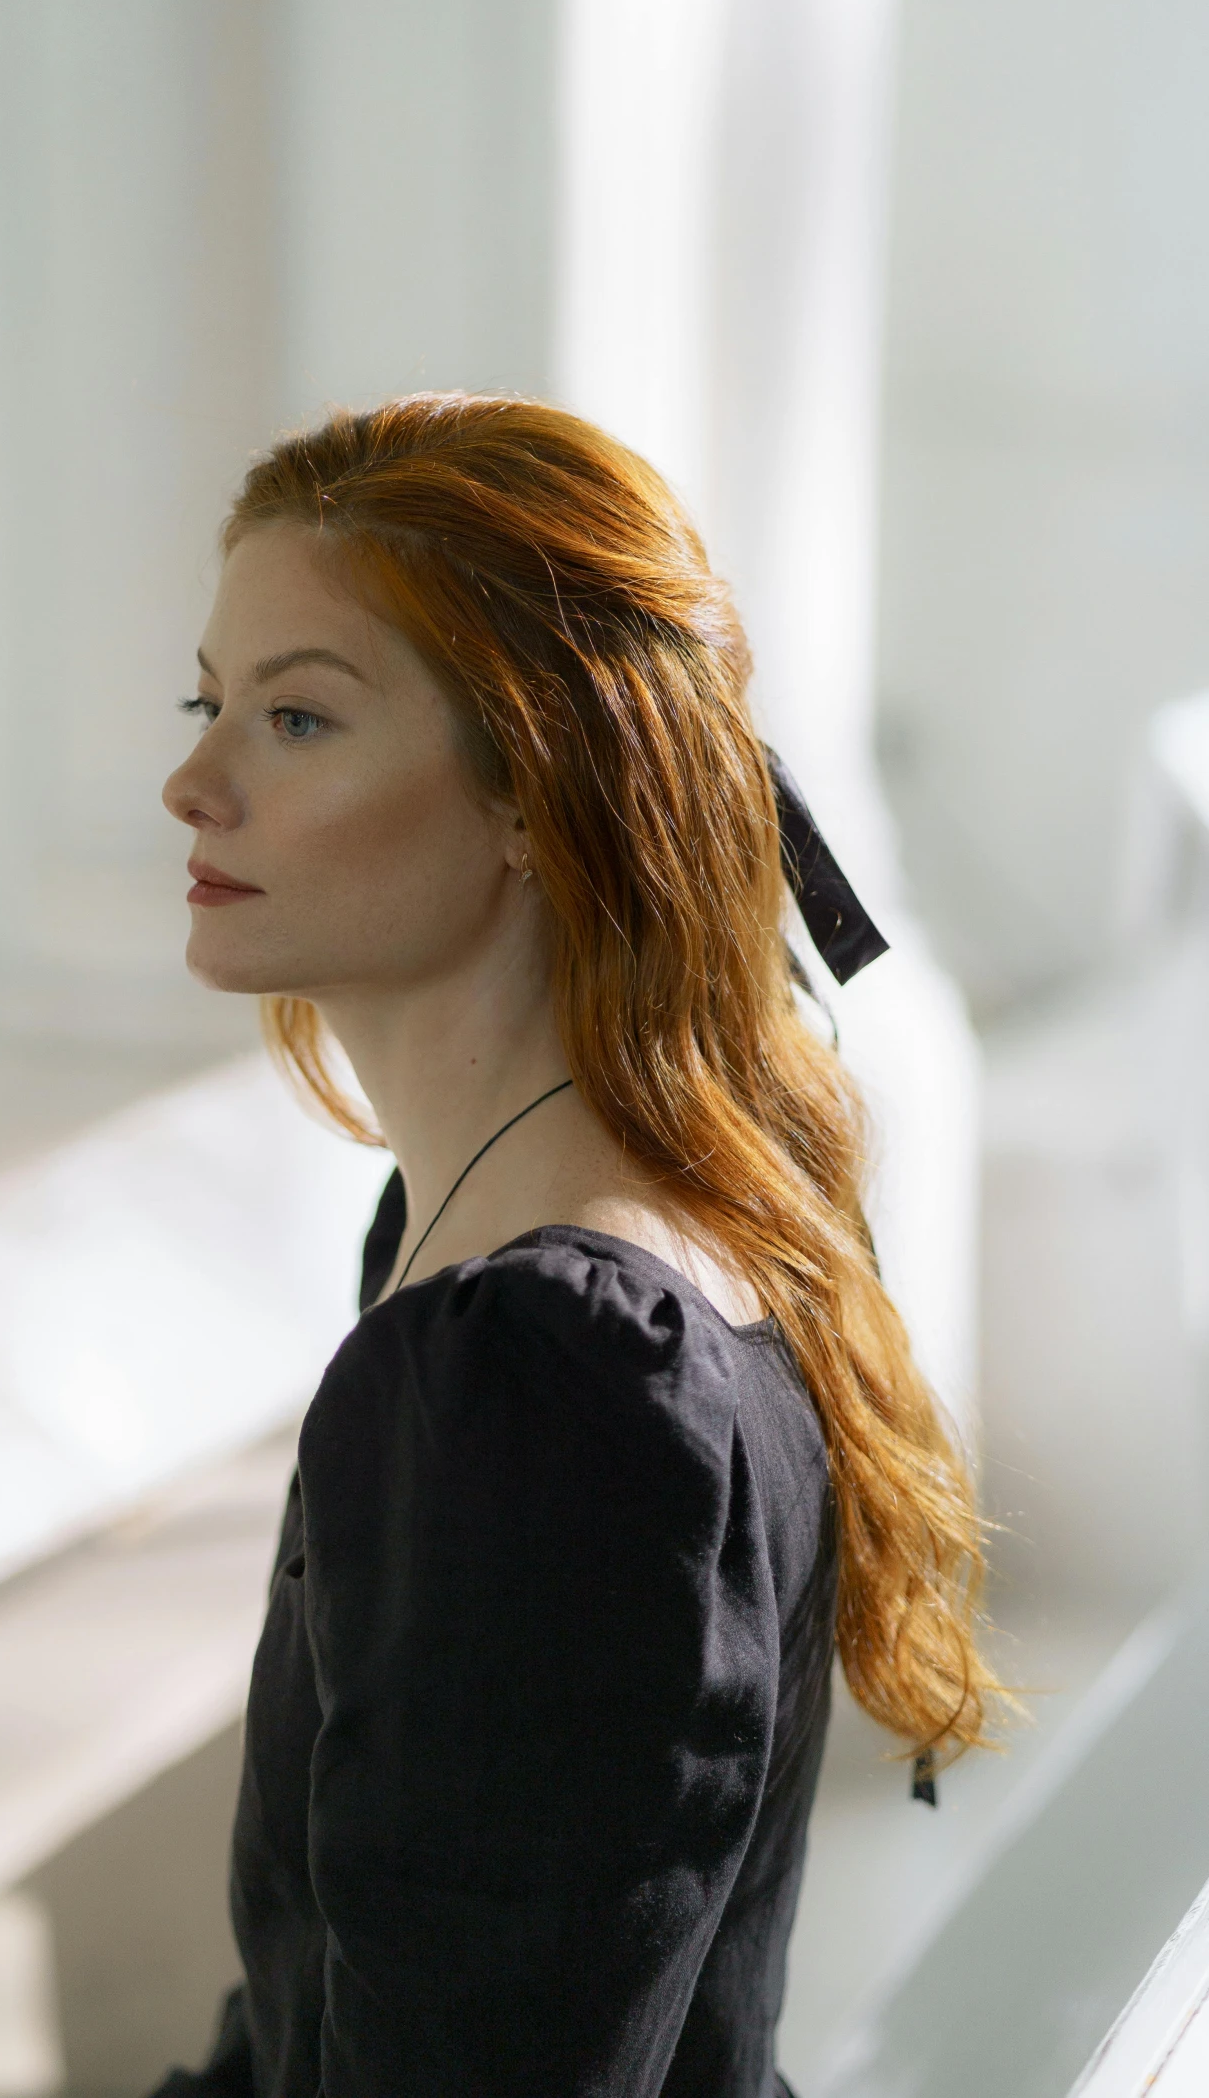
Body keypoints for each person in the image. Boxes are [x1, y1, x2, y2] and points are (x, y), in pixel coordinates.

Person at [154, 394, 1000, 2098]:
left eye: (298, 716)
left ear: (539, 792)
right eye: (209, 699)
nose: (193, 780)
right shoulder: (487, 1239)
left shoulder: (549, 1375)